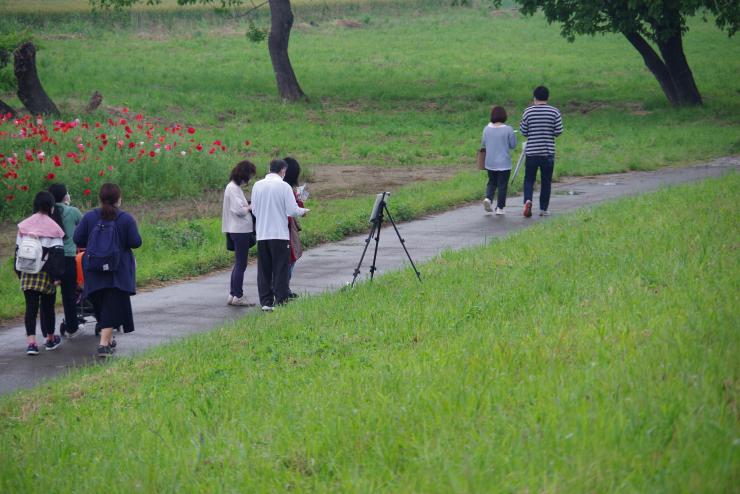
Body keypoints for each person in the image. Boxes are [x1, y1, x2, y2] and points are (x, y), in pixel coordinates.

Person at [74, 183, 142, 358]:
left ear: (100, 198)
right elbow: (136, 242)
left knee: (102, 306)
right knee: (111, 306)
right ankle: (104, 345)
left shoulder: (89, 217)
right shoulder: (125, 219)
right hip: (117, 271)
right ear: (118, 199)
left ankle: (108, 340)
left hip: (93, 270)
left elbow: (78, 239)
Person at [250, 159, 309, 311]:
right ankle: (280, 299)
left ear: (269, 168)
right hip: (279, 234)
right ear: (283, 171)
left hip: (262, 234)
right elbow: (292, 210)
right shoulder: (284, 186)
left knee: (264, 270)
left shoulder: (257, 185)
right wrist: (303, 211)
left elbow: (254, 210)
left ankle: (266, 302)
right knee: (280, 268)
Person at [15, 191, 65, 355]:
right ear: (51, 207)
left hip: (27, 272)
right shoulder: (54, 227)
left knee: (30, 308)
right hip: (46, 273)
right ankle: (50, 339)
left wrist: (19, 273)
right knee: (48, 308)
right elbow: (57, 254)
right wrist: (57, 277)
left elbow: (18, 251)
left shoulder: (24, 225)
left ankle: (31, 344)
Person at [520, 85, 564, 217]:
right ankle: (543, 209)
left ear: (534, 97)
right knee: (546, 181)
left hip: (532, 152)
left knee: (529, 179)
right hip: (548, 152)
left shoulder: (528, 112)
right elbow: (558, 131)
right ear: (547, 97)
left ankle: (528, 200)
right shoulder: (554, 112)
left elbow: (523, 131)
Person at [48, 183, 83, 337]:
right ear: (64, 196)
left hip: (49, 259)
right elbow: (84, 229)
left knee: (47, 297)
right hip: (68, 257)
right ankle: (72, 328)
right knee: (69, 295)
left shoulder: (47, 212)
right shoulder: (73, 211)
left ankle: (48, 333)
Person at [222, 160, 257, 306]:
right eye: (249, 176)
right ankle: (238, 295)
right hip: (240, 230)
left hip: (236, 229)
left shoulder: (233, 187)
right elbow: (238, 210)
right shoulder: (233, 188)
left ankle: (232, 294)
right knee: (241, 264)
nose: (249, 179)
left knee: (238, 263)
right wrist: (249, 207)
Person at [480, 106, 517, 215]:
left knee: (491, 182)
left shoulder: (486, 129)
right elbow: (513, 145)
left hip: (490, 162)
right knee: (502, 185)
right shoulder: (508, 129)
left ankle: (488, 199)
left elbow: (483, 143)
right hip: (504, 163)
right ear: (504, 116)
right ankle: (500, 208)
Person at [283, 156, 304, 297]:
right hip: (287, 228)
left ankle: (284, 289)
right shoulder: (286, 189)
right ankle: (284, 290)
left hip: (282, 228)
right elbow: (295, 209)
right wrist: (299, 200)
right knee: (290, 259)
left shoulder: (283, 187)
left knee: (288, 259)